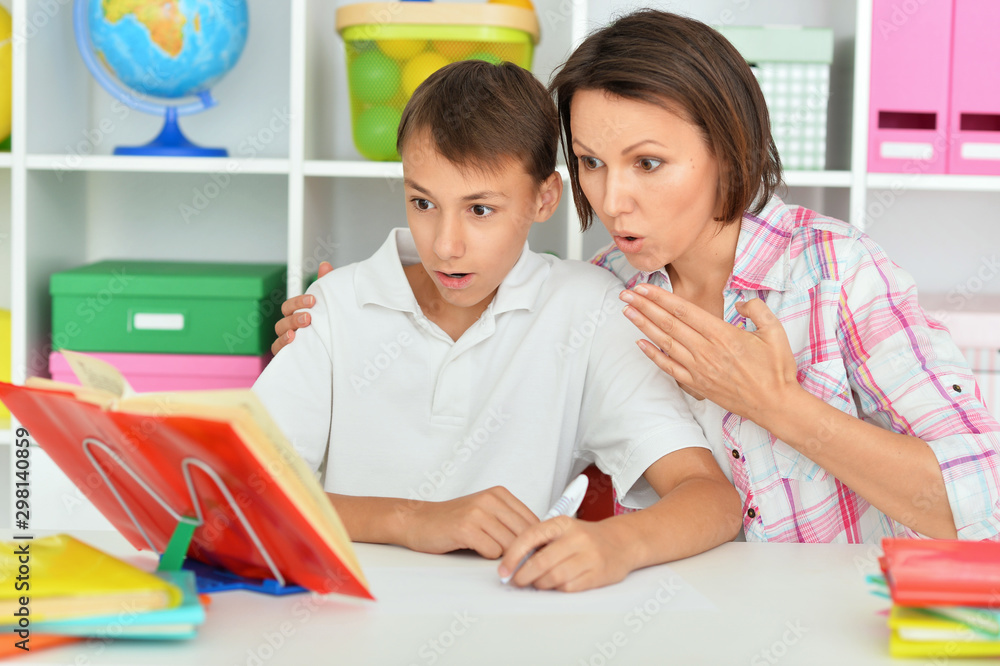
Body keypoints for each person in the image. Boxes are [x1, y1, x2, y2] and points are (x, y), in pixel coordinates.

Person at [275, 11, 1000, 545]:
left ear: (727, 148)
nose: (612, 200)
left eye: (647, 163)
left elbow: (982, 502)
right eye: (592, 162)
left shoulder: (837, 273)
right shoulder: (606, 292)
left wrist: (777, 404)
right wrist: (342, 321)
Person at [252, 59, 742, 593]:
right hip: (338, 615)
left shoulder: (589, 310)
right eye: (423, 202)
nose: (445, 244)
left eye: (480, 209)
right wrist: (413, 518)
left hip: (507, 622)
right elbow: (243, 495)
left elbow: (711, 498)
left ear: (544, 198)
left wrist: (615, 544)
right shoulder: (332, 306)